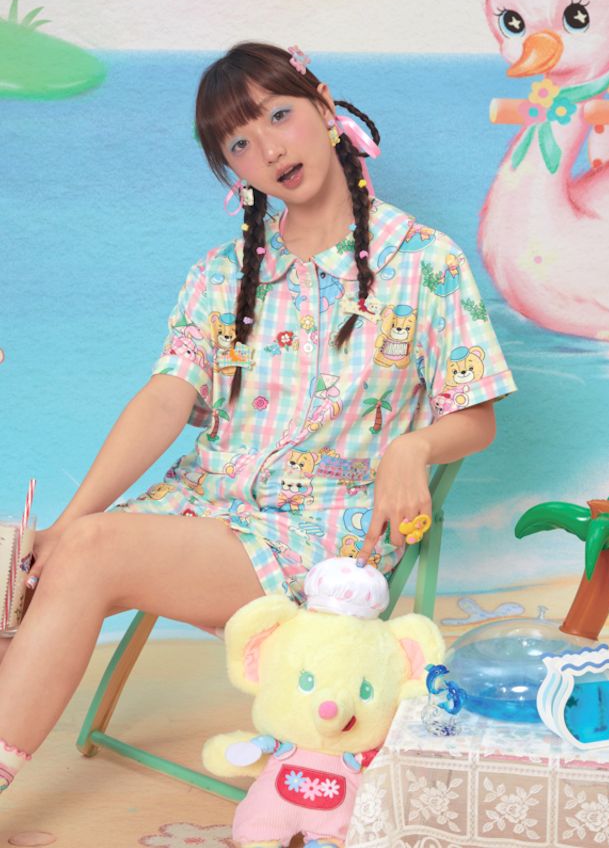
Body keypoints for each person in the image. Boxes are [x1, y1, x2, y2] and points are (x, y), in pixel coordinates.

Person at [0, 41, 516, 793]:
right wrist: (57, 528)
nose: (269, 149)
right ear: (232, 170)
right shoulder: (222, 275)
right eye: (239, 143)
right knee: (18, 562)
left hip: (317, 535)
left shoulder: (425, 262)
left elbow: (476, 417)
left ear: (325, 107)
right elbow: (165, 398)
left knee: (92, 550)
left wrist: (411, 448)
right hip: (198, 507)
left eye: (278, 115)